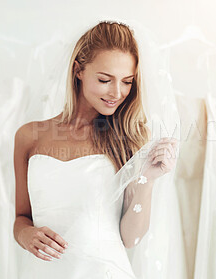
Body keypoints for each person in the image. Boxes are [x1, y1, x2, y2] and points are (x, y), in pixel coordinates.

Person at [13, 20, 178, 278]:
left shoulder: (129, 139)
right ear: (78, 70)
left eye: (127, 82)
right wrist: (26, 234)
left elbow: (130, 239)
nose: (117, 92)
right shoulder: (28, 136)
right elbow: (21, 217)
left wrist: (148, 179)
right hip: (40, 271)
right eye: (105, 80)